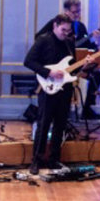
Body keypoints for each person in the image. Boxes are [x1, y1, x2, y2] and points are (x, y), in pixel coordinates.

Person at [24, 15, 76, 174]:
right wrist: (49, 72)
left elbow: (72, 67)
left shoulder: (69, 43)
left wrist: (85, 65)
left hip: (64, 89)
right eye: (63, 30)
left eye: (68, 30)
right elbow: (28, 61)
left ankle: (54, 159)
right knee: (44, 123)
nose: (65, 33)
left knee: (60, 124)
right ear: (55, 26)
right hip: (47, 88)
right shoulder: (43, 40)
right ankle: (36, 160)